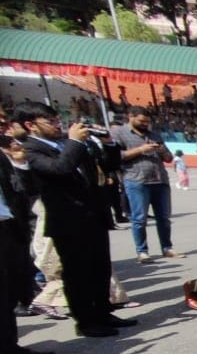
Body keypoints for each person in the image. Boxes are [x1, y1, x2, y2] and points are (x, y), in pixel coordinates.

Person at [17, 102, 124, 338]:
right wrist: (75, 142)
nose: (58, 126)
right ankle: (85, 321)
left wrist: (108, 144)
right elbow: (60, 169)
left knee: (100, 267)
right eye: (51, 122)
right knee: (78, 273)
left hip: (93, 215)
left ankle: (103, 312)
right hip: (68, 221)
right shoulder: (32, 150)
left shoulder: (67, 143)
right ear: (30, 125)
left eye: (58, 121)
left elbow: (106, 166)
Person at [0, 134, 53, 354]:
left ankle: (10, 349)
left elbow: (25, 190)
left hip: (9, 227)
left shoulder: (4, 157)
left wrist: (20, 165)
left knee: (9, 294)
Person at [111, 106, 179, 263]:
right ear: (131, 117)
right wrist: (141, 149)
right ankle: (142, 251)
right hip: (137, 180)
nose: (145, 124)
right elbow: (115, 157)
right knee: (139, 218)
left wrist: (161, 150)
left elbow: (168, 158)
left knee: (164, 217)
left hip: (159, 179)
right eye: (142, 121)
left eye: (147, 122)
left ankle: (167, 248)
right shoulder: (119, 133)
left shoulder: (154, 134)